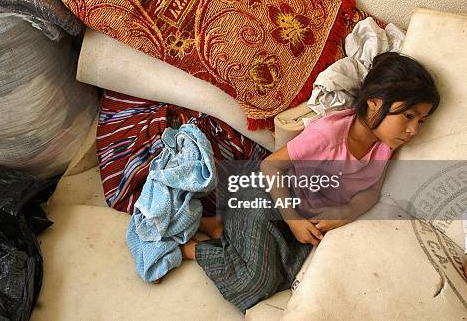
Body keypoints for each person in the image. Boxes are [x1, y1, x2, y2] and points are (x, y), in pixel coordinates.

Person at [181, 52, 441, 311]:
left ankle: (220, 230)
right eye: (408, 116)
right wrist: (293, 219)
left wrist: (346, 212)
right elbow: (270, 166)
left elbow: (371, 192)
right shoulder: (330, 133)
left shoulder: (384, 149)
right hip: (267, 201)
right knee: (258, 282)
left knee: (292, 274)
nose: (414, 130)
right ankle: (194, 250)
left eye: (421, 121)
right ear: (374, 102)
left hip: (298, 226)